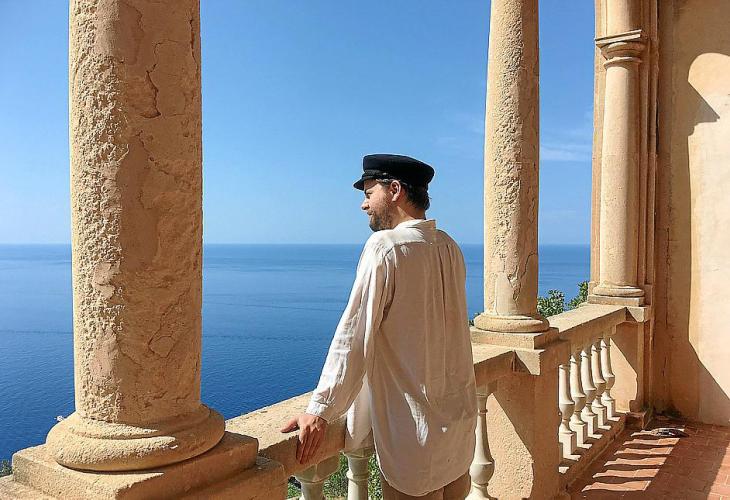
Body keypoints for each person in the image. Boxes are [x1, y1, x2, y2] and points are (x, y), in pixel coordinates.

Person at [282, 154, 477, 499]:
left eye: (369, 193)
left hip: (414, 441)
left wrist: (320, 409)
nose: (364, 205)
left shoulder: (385, 248)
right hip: (458, 430)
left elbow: (353, 335)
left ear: (395, 190)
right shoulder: (450, 247)